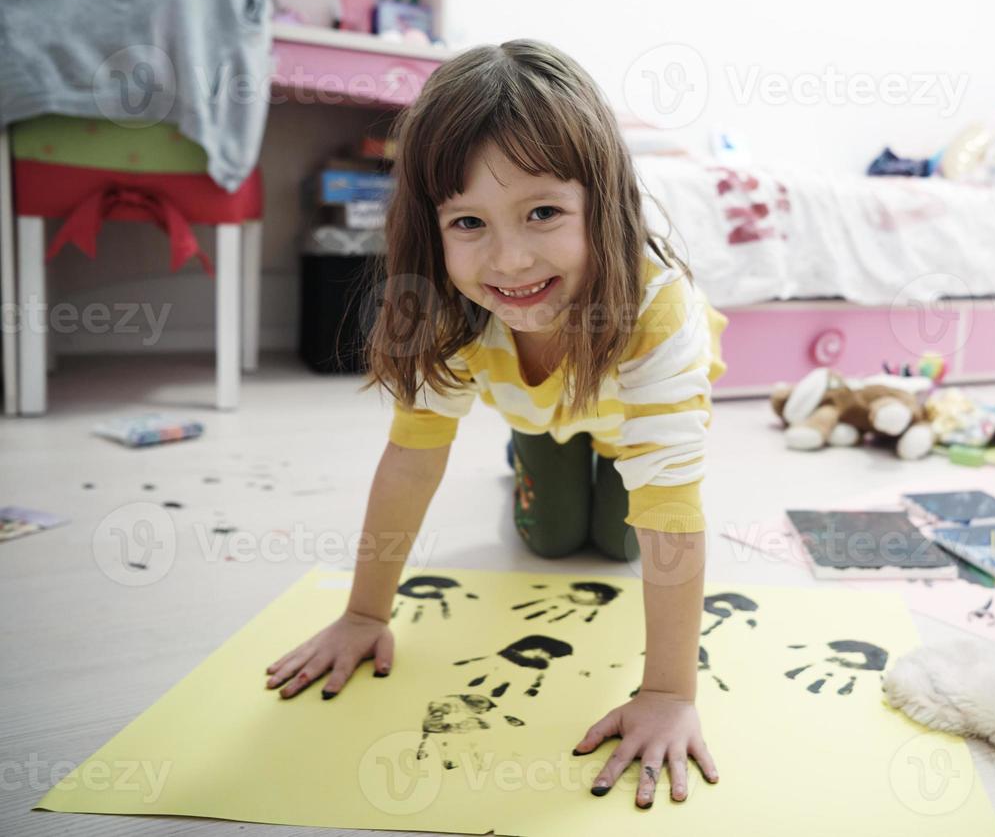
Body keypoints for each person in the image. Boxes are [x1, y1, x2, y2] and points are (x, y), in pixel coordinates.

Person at [264, 41, 727, 809]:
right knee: (549, 537)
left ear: (602, 205)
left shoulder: (656, 312)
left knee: (618, 540)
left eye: (543, 212)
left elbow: (671, 513)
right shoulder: (440, 306)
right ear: (431, 227)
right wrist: (364, 613)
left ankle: (571, 447)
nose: (509, 260)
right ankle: (532, 443)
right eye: (469, 221)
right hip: (539, 412)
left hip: (632, 421)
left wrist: (671, 694)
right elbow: (412, 460)